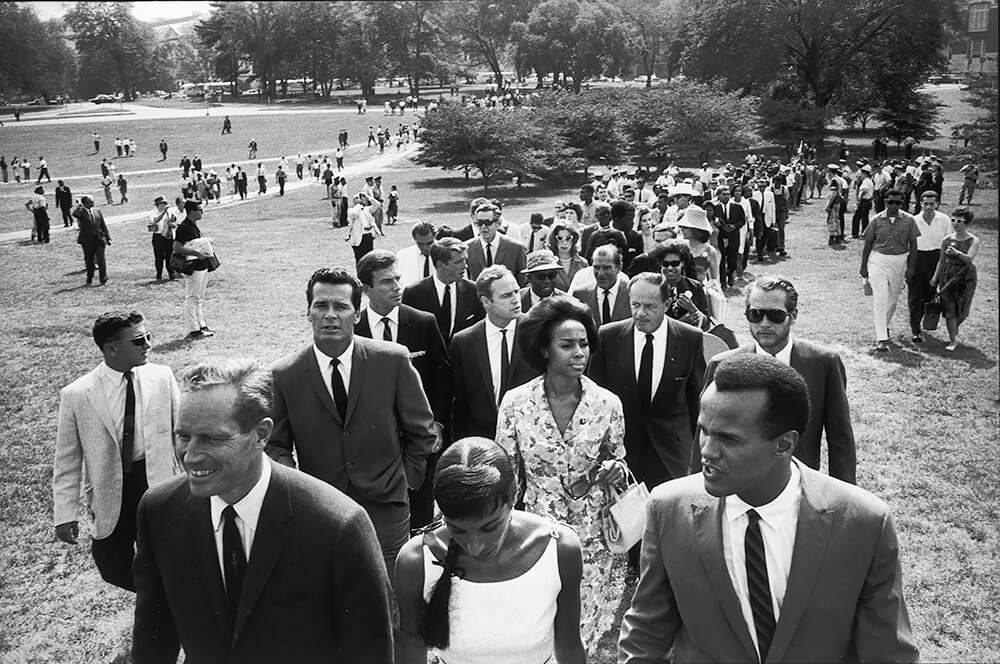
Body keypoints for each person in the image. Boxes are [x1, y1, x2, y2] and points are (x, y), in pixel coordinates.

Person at [618, 353, 919, 664]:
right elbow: (645, 633)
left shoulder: (863, 523)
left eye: (728, 439)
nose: (706, 451)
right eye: (704, 431)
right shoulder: (668, 509)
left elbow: (888, 652)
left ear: (784, 445)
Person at [132, 358, 394, 663]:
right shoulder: (159, 511)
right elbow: (154, 633)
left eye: (212, 438)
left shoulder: (337, 524)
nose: (190, 456)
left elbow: (370, 652)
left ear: (261, 434)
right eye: (183, 436)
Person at [267, 268, 438, 575]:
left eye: (341, 307)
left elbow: (423, 431)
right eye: (321, 306)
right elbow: (276, 446)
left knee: (388, 598)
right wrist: (300, 490)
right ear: (308, 313)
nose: (330, 315)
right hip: (321, 509)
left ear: (356, 314)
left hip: (386, 508)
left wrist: (403, 479)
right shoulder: (284, 374)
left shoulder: (392, 360)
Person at [495, 295, 627, 653]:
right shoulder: (515, 403)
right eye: (567, 345)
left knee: (580, 634)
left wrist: (617, 470)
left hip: (594, 541)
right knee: (538, 627)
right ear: (544, 350)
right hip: (537, 534)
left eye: (584, 344)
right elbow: (506, 477)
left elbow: (619, 462)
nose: (579, 353)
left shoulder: (608, 404)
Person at [396, 438, 586, 664]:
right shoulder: (416, 560)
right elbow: (411, 643)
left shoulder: (559, 550)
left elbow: (569, 645)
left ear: (514, 494)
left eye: (490, 527)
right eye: (458, 530)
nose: (475, 546)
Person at [588, 272, 706, 572]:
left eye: (650, 307)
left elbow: (697, 403)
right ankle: (635, 571)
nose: (640, 313)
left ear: (667, 303)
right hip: (624, 452)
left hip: (671, 452)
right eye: (635, 304)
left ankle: (669, 572)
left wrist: (697, 455)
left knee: (671, 521)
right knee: (631, 521)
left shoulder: (689, 338)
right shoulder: (609, 336)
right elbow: (595, 398)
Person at [54, 311, 179, 591]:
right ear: (111, 349)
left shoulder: (162, 377)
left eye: (148, 336)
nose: (148, 344)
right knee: (112, 566)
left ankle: (162, 605)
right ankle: (158, 596)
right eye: (138, 340)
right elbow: (67, 460)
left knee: (168, 557)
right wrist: (65, 512)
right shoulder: (77, 395)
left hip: (156, 484)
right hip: (112, 492)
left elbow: (182, 436)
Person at [701, 277, 856, 483]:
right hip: (737, 485)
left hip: (799, 487)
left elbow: (840, 439)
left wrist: (843, 498)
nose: (764, 324)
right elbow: (704, 435)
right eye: (755, 314)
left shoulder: (823, 363)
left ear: (793, 316)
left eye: (775, 315)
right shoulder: (721, 365)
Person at [356, 251, 451, 529]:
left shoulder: (423, 322)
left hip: (418, 443)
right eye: (386, 282)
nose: (397, 287)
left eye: (398, 279)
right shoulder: (355, 329)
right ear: (366, 288)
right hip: (372, 446)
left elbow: (443, 379)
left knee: (421, 515)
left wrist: (438, 424)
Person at [450, 266, 540, 441]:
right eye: (506, 296)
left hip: (531, 437)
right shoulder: (464, 342)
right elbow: (460, 401)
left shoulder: (538, 332)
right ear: (486, 301)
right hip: (483, 439)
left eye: (516, 291)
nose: (516, 300)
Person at [860, 189, 920, 352]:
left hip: (899, 261)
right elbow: (868, 244)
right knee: (880, 298)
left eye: (898, 202)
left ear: (903, 203)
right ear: (885, 201)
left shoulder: (910, 220)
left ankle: (884, 325)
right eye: (890, 201)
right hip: (878, 260)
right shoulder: (876, 220)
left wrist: (911, 267)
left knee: (893, 299)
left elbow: (914, 246)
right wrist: (863, 266)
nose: (894, 205)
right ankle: (881, 338)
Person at [402, 238, 485, 346]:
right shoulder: (413, 293)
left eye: (465, 260)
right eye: (458, 262)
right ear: (441, 265)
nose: (465, 266)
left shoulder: (474, 290)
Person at [931, 207, 980, 351]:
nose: (955, 224)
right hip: (948, 274)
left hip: (966, 276)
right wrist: (935, 277)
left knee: (963, 310)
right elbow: (941, 260)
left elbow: (969, 259)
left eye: (959, 221)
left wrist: (957, 252)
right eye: (953, 220)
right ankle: (953, 339)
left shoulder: (973, 240)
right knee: (949, 308)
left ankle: (953, 330)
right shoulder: (947, 240)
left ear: (967, 223)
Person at [908, 191, 952, 343]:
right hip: (917, 258)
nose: (928, 207)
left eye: (931, 204)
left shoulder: (944, 219)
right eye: (925, 203)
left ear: (937, 204)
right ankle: (915, 330)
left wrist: (943, 266)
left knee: (929, 295)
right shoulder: (913, 220)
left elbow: (948, 243)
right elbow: (909, 245)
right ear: (920, 204)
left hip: (936, 259)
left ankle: (927, 323)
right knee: (915, 297)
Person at [173, 200, 215, 339]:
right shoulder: (184, 227)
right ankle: (194, 329)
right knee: (192, 297)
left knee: (200, 297)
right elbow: (177, 247)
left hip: (201, 266)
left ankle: (201, 325)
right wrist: (197, 253)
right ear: (192, 212)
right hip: (193, 267)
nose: (202, 212)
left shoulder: (193, 226)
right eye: (200, 210)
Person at [654, 241, 713, 331]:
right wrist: (682, 322)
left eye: (675, 264)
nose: (670, 268)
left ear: (682, 263)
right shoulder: (654, 288)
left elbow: (707, 324)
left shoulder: (695, 286)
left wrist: (693, 309)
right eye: (665, 264)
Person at [572, 245, 630, 327]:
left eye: (606, 268)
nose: (600, 273)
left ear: (619, 267)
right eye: (596, 267)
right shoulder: (580, 295)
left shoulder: (632, 293)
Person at [73, 196, 111, 285]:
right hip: (87, 240)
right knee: (89, 260)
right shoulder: (81, 212)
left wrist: (107, 237)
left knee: (101, 259)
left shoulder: (97, 211)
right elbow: (75, 214)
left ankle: (103, 278)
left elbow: (102, 224)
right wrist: (79, 207)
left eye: (92, 202)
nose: (92, 204)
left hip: (98, 239)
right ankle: (90, 277)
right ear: (84, 204)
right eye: (89, 202)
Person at [549, 221, 589, 292]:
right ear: (554, 240)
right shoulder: (549, 262)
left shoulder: (583, 263)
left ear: (574, 239)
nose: (564, 243)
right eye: (560, 238)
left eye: (568, 238)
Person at [396, 221, 436, 288]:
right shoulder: (402, 256)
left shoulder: (446, 254)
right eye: (420, 244)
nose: (425, 248)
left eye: (429, 243)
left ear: (435, 237)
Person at [345, 191, 381, 265]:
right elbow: (353, 214)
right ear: (354, 201)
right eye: (357, 198)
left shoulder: (367, 209)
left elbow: (377, 205)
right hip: (358, 237)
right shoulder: (351, 210)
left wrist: (368, 197)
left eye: (360, 197)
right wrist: (359, 205)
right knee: (360, 259)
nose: (360, 199)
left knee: (369, 257)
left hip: (368, 235)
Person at [148, 196, 177, 281]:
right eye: (161, 205)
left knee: (170, 256)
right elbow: (156, 220)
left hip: (168, 236)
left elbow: (174, 221)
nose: (163, 206)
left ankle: (171, 274)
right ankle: (159, 274)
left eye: (164, 204)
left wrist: (172, 225)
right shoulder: (153, 212)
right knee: (159, 257)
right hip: (158, 237)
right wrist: (164, 212)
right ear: (157, 206)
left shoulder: (170, 212)